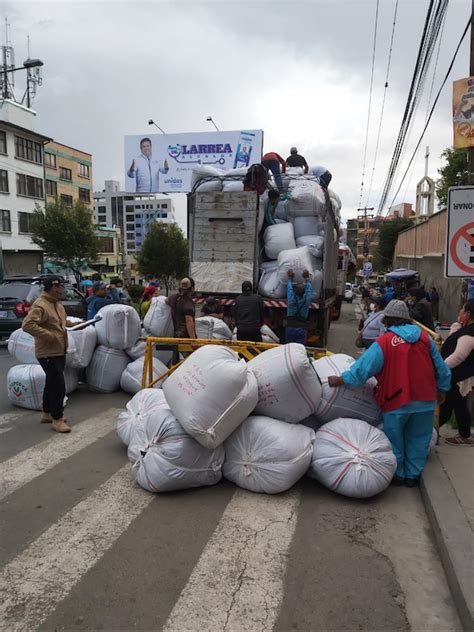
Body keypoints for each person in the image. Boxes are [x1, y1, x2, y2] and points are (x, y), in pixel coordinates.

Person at [327, 300, 451, 486]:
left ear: (387, 321)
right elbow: (441, 368)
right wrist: (442, 389)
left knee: (394, 438)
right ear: (408, 320)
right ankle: (413, 476)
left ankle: (398, 474)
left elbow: (362, 370)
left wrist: (341, 379)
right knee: (419, 437)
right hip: (425, 399)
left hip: (396, 400)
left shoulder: (384, 342)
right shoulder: (426, 339)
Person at [21, 276, 74, 433]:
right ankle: (57, 419)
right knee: (58, 384)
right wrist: (48, 335)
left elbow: (60, 322)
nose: (62, 289)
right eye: (59, 286)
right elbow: (27, 324)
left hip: (59, 349)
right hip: (47, 351)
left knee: (51, 382)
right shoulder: (41, 304)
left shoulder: (57, 303)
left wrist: (74, 324)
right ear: (52, 287)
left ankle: (47, 413)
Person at [439, 299, 474, 446]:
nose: (459, 312)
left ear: (468, 314)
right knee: (453, 405)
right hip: (456, 375)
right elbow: (454, 341)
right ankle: (432, 429)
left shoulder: (469, 335)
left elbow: (457, 357)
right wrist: (457, 326)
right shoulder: (464, 330)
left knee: (452, 405)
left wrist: (439, 369)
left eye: (462, 310)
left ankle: (465, 435)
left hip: (459, 377)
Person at [285, 269, 312, 345]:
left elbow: (289, 289)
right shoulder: (306, 301)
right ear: (304, 293)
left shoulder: (291, 300)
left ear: (294, 293)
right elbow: (309, 292)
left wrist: (290, 278)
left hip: (290, 328)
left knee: (289, 348)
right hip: (302, 329)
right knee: (300, 349)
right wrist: (307, 279)